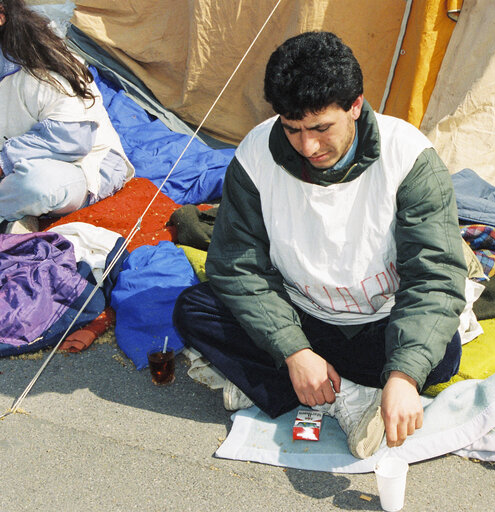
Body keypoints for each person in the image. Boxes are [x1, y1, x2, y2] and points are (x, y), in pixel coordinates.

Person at [173, 31, 467, 459]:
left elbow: (435, 275)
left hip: (377, 321)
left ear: (355, 105)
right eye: (292, 129)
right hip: (300, 315)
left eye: (320, 128)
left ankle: (304, 387)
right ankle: (344, 396)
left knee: (438, 356)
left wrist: (403, 375)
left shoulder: (409, 157)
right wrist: (294, 350)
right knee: (194, 309)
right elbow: (236, 265)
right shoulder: (255, 155)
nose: (308, 146)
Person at [0, 0, 133, 233]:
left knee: (36, 184)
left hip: (81, 164)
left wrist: (3, 161)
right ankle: (17, 211)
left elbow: (73, 140)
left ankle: (16, 207)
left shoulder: (43, 62)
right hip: (14, 161)